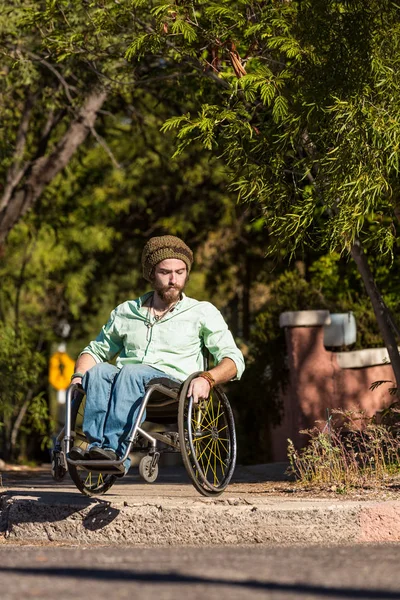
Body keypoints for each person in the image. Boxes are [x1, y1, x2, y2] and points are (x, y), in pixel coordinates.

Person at [69, 235, 245, 473]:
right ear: (151, 273)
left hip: (172, 389)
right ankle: (96, 447)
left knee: (130, 371)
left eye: (180, 272)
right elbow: (95, 350)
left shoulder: (202, 312)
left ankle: (115, 451)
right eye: (165, 272)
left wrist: (208, 378)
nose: (174, 280)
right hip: (126, 386)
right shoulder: (126, 311)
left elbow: (233, 359)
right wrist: (79, 375)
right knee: (99, 371)